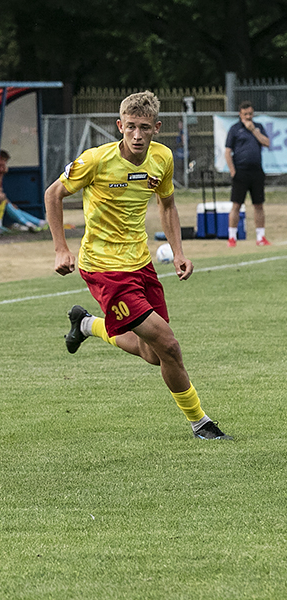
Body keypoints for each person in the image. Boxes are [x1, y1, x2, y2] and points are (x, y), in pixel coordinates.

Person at [44, 91, 232, 441]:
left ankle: (86, 324)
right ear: (120, 125)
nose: (137, 135)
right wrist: (60, 249)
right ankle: (201, 423)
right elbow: (53, 194)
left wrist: (178, 252)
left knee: (153, 354)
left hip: (141, 264)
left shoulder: (162, 158)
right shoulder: (95, 160)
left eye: (144, 127)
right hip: (104, 268)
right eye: (130, 126)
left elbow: (167, 204)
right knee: (169, 345)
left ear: (156, 128)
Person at [224, 101, 270, 247]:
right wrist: (233, 171)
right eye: (245, 114)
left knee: (258, 205)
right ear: (240, 114)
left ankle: (260, 237)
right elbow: (227, 152)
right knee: (236, 205)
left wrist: (254, 130)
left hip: (256, 171)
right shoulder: (235, 129)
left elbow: (267, 143)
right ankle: (232, 237)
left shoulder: (258, 127)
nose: (248, 117)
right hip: (241, 172)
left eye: (250, 114)